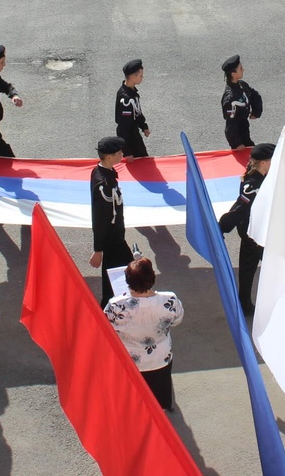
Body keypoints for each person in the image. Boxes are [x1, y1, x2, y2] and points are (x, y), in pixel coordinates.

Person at [105, 257, 184, 411]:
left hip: (129, 359)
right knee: (160, 394)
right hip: (160, 358)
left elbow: (107, 327)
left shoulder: (116, 304)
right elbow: (177, 320)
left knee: (133, 398)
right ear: (152, 277)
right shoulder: (170, 299)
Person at [218, 142, 274, 314]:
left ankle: (245, 305)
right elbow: (240, 208)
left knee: (247, 271)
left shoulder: (263, 178)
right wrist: (221, 227)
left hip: (255, 233)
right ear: (264, 162)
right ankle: (248, 305)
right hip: (256, 235)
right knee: (274, 267)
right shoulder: (253, 185)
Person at [90, 135, 133, 308]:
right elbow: (100, 218)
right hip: (112, 239)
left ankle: (113, 307)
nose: (122, 153)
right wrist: (98, 249)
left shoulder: (101, 172)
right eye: (119, 152)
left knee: (120, 274)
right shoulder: (104, 185)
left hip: (115, 237)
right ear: (109, 157)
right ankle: (109, 311)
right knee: (125, 273)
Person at [220, 54, 263, 149]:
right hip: (239, 137)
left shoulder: (242, 85)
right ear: (233, 74)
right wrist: (237, 143)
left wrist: (256, 112)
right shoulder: (230, 99)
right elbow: (230, 124)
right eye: (240, 68)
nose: (243, 70)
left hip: (245, 130)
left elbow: (254, 95)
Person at [116, 59, 150, 158]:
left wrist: (143, 126)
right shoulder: (126, 100)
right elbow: (123, 128)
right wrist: (127, 152)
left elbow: (136, 111)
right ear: (133, 77)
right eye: (140, 76)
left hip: (135, 134)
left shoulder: (131, 91)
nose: (142, 78)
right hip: (131, 140)